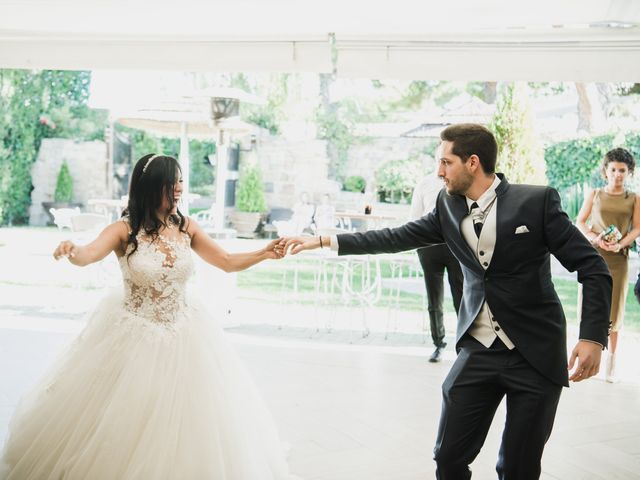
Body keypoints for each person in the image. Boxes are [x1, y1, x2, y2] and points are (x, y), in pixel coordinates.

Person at [283, 124, 612, 479]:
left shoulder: (536, 202)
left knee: (518, 468)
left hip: (535, 356)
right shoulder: (447, 205)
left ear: (472, 162)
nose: (439, 171)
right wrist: (322, 241)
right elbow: (396, 236)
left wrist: (592, 337)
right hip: (478, 351)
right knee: (448, 459)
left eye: (445, 162)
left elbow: (592, 267)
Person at [0, 154, 296, 479]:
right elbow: (88, 254)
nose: (180, 188)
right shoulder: (123, 230)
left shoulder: (186, 227)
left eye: (181, 180)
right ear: (152, 185)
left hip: (186, 335)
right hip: (133, 337)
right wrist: (73, 250)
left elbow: (225, 260)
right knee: (123, 424)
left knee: (193, 426)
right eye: (173, 182)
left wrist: (263, 253)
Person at [576, 147, 640, 382]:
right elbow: (580, 222)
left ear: (629, 172)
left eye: (622, 170)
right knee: (590, 307)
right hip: (594, 259)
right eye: (613, 169)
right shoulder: (594, 194)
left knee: (615, 312)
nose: (617, 174)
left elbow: (637, 228)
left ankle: (611, 363)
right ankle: (585, 359)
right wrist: (595, 239)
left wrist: (620, 243)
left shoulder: (634, 199)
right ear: (606, 171)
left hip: (618, 260)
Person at [411, 155, 463, 363]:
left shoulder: (460, 183)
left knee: (462, 297)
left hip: (456, 247)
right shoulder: (425, 183)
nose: (442, 166)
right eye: (440, 159)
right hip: (428, 247)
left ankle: (465, 347)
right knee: (434, 299)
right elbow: (415, 216)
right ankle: (438, 344)